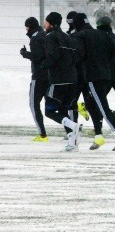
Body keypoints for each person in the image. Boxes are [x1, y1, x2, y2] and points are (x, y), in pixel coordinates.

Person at [74, 12, 115, 150]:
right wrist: (106, 64)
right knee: (91, 104)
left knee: (101, 106)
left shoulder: (81, 36)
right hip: (106, 75)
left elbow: (80, 55)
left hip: (93, 76)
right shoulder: (102, 34)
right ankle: (98, 135)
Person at [41, 11, 82, 151]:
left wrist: (43, 65)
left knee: (49, 111)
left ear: (51, 24)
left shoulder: (51, 37)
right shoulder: (68, 37)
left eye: (46, 22)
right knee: (64, 110)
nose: (44, 24)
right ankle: (72, 143)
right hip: (72, 80)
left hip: (58, 80)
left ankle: (74, 126)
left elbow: (52, 56)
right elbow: (76, 57)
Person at [20, 17, 51, 142]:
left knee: (33, 104)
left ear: (30, 26)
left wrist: (25, 53)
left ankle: (42, 134)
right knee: (52, 104)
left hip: (38, 76)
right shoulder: (45, 35)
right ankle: (71, 125)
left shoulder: (35, 38)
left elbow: (37, 56)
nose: (26, 29)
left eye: (27, 27)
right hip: (49, 75)